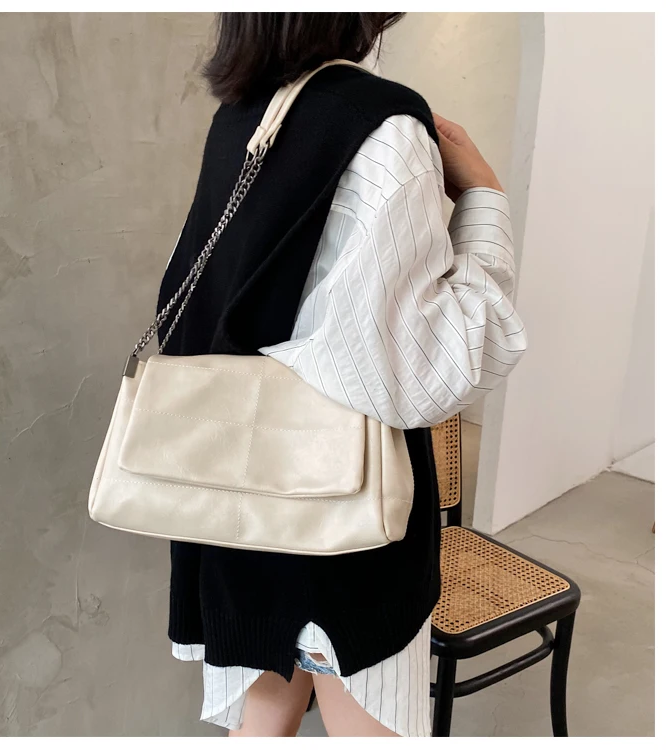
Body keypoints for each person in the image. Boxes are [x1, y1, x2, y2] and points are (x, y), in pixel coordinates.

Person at [158, 12, 526, 737]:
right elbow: (428, 369)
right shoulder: (385, 126)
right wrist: (484, 196)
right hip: (341, 506)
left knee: (262, 718)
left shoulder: (241, 114)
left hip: (233, 490)